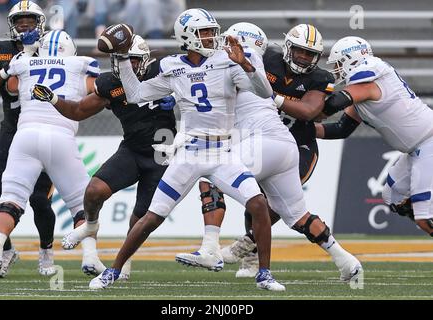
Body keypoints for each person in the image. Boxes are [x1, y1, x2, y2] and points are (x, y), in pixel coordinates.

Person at [54, 8, 285, 291]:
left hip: (223, 152)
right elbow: (137, 95)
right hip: (189, 153)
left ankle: (264, 274)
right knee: (151, 218)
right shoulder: (172, 66)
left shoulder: (229, 61)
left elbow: (264, 93)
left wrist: (248, 66)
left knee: (258, 204)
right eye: (205, 32)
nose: (213, 37)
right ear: (188, 36)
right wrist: (124, 59)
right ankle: (113, 271)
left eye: (213, 31)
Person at [175, 23, 363, 283]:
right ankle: (345, 260)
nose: (303, 57)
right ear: (287, 48)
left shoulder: (318, 77)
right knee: (290, 213)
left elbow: (309, 112)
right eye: (299, 51)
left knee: (221, 174)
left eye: (309, 54)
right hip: (271, 141)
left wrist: (268, 94)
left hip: (297, 143)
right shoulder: (265, 59)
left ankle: (218, 247)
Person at [33, 35, 177, 280]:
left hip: (162, 153)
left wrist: (177, 96)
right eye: (122, 59)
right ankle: (90, 224)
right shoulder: (111, 82)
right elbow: (78, 111)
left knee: (142, 215)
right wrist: (54, 99)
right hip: (132, 149)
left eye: (132, 60)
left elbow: (199, 85)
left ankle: (125, 261)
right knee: (94, 191)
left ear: (144, 59)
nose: (127, 65)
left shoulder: (161, 71)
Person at [0, 29, 106, 278]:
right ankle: (90, 256)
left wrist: (25, 60)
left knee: (11, 198)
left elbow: (11, 87)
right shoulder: (79, 64)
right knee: (82, 205)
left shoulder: (25, 62)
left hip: (26, 135)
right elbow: (97, 90)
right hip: (60, 136)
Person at [315, 36, 433, 237]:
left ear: (350, 60)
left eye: (338, 64)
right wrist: (302, 128)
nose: (336, 70)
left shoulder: (368, 82)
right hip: (416, 149)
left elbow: (332, 105)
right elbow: (341, 129)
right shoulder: (363, 92)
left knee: (424, 218)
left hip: (428, 142)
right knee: (393, 195)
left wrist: (305, 109)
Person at [0, 0, 57, 277]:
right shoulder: (0, 50)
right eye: (19, 21)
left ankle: (46, 252)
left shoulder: (54, 47)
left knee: (39, 198)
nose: (24, 24)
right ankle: (6, 250)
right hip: (13, 129)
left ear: (41, 22)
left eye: (30, 20)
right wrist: (7, 70)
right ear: (11, 25)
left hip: (45, 128)